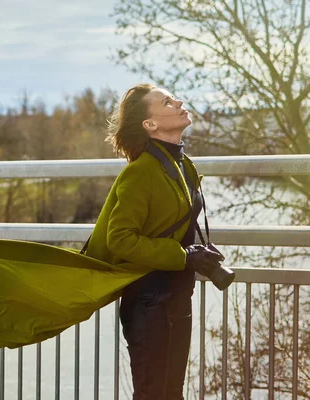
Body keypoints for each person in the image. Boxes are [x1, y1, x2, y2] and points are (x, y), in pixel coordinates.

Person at [83, 83, 225, 399]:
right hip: (149, 303)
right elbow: (119, 239)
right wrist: (185, 256)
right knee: (152, 394)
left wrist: (197, 252)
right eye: (168, 101)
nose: (179, 102)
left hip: (177, 296)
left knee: (172, 393)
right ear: (150, 124)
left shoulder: (181, 163)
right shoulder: (140, 172)